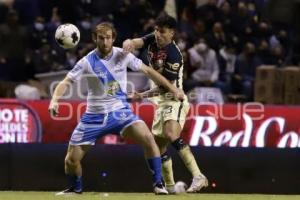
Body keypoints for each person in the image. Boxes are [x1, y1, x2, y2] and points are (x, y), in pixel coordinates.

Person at [48, 22, 185, 195]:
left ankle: (158, 184)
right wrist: (54, 100)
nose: (105, 42)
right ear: (94, 39)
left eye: (108, 38)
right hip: (94, 116)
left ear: (113, 38)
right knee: (71, 161)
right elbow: (66, 81)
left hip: (120, 113)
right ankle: (75, 189)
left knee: (149, 139)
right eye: (101, 38)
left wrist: (173, 89)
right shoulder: (86, 61)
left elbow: (149, 72)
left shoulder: (123, 55)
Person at [122, 14, 208, 193]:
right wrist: (129, 42)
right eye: (156, 30)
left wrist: (142, 95)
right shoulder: (154, 38)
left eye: (162, 32)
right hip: (160, 103)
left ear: (172, 33)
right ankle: (169, 187)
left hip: (174, 99)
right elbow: (139, 42)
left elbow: (166, 87)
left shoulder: (174, 55)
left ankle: (199, 176)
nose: (157, 34)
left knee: (170, 133)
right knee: (159, 147)